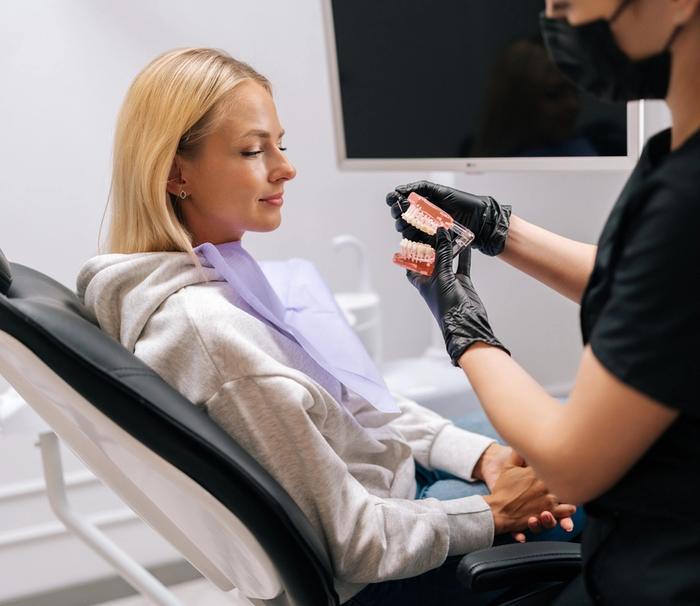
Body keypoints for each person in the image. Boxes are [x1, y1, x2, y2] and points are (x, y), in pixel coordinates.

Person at [76, 48, 575, 605]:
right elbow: (355, 545)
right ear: (175, 172)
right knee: (588, 495)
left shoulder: (225, 280)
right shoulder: (211, 334)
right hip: (383, 571)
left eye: (280, 144)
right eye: (252, 150)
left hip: (399, 492)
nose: (285, 167)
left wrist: (479, 456)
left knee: (522, 447)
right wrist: (494, 512)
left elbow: (352, 405)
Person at [387, 0, 700, 603]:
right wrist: (502, 230)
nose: (555, 15)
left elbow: (569, 464)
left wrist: (462, 323)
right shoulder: (673, 154)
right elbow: (650, 290)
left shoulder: (690, 201)